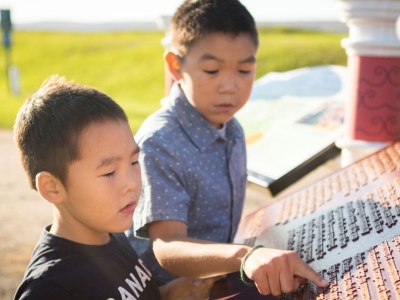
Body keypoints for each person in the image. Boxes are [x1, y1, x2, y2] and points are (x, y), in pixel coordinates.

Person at [126, 0, 330, 296]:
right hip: (166, 290)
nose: (230, 87)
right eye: (212, 70)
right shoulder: (161, 143)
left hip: (219, 277)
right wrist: (246, 256)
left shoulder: (232, 129)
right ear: (175, 66)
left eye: (245, 70)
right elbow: (167, 246)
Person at [13, 75, 222, 300]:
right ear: (52, 187)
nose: (131, 184)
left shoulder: (114, 236)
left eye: (134, 162)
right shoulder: (49, 289)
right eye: (109, 172)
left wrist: (166, 294)